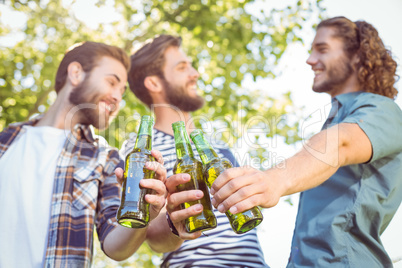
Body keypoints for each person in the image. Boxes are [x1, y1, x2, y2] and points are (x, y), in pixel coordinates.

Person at [210, 16, 402, 267]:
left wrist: (273, 180)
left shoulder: (382, 110)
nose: (310, 60)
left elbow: (338, 144)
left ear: (356, 55)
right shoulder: (337, 118)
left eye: (322, 49)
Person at [0, 41, 167, 267]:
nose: (118, 98)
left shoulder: (106, 158)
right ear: (76, 73)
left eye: (122, 92)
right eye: (112, 82)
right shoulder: (6, 139)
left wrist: (143, 213)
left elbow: (115, 246)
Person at [119, 35, 269, 267]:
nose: (195, 73)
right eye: (182, 67)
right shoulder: (141, 150)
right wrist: (173, 223)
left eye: (191, 65)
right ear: (154, 83)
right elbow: (153, 238)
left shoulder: (217, 146)